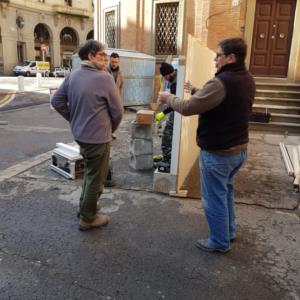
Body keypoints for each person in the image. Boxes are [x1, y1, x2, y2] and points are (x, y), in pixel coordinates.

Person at [158, 38, 255, 253]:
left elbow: (187, 108)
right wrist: (196, 90)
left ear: (230, 57)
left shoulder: (220, 82)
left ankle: (219, 242)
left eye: (218, 55)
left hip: (218, 153)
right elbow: (221, 100)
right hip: (238, 150)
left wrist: (169, 98)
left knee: (213, 199)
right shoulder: (246, 78)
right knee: (225, 192)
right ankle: (228, 232)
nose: (214, 59)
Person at [51, 40, 123, 231]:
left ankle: (85, 209)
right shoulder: (105, 77)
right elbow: (118, 112)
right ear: (90, 56)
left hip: (81, 135)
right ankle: (88, 218)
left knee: (90, 174)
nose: (106, 58)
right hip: (98, 138)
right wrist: (110, 129)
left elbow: (56, 100)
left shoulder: (73, 75)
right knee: (96, 180)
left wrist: (73, 118)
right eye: (101, 54)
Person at [155, 62, 177, 172]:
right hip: (179, 112)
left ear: (168, 75)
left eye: (165, 77)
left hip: (178, 113)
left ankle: (167, 161)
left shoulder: (175, 84)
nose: (166, 79)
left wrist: (163, 113)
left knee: (167, 136)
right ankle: (167, 157)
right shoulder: (178, 76)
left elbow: (174, 104)